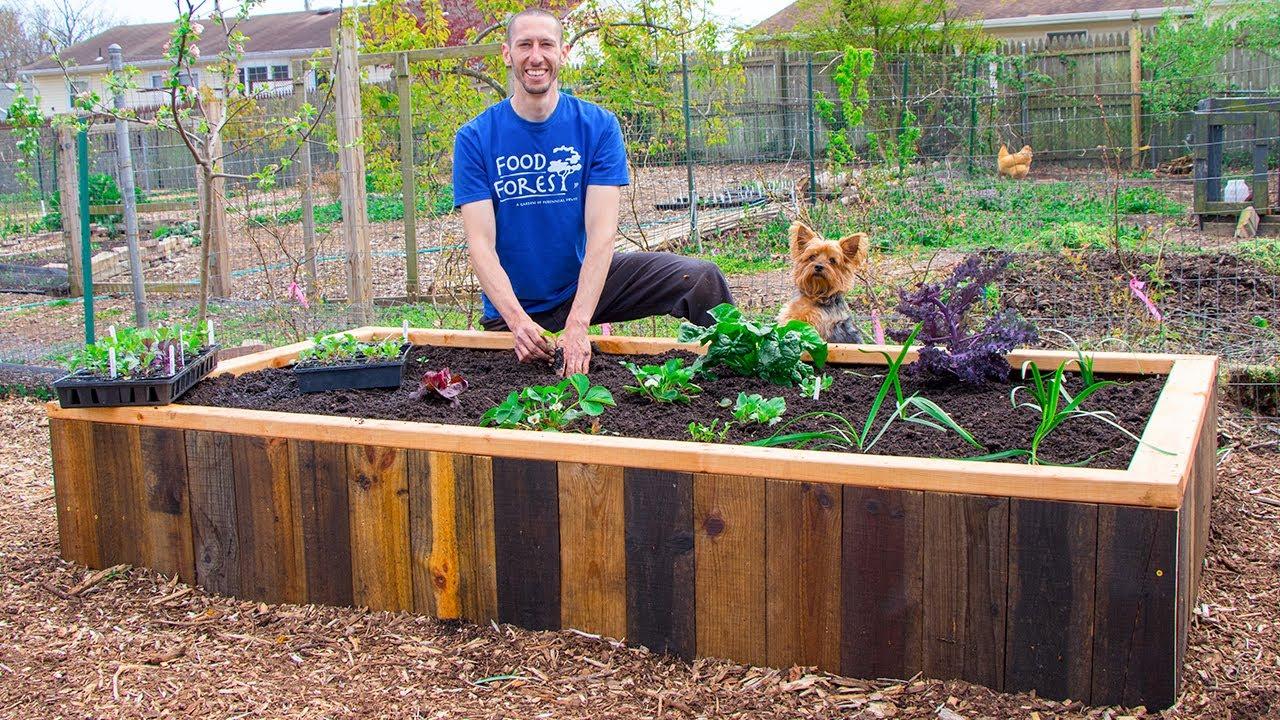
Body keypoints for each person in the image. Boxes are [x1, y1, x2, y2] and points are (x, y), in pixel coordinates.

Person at [452, 8, 734, 377]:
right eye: (525, 45)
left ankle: (743, 368)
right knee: (521, 401)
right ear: (508, 54)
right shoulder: (476, 137)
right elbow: (480, 245)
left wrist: (578, 322)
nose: (536, 56)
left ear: (563, 53)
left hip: (582, 283)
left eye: (546, 45)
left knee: (701, 279)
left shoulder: (597, 127)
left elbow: (602, 235)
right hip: (513, 307)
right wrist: (519, 322)